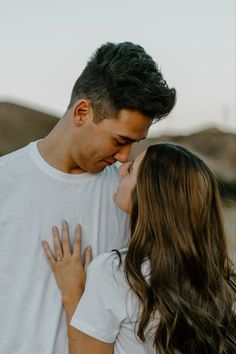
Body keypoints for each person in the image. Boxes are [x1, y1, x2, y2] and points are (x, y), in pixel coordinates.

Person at [0, 42, 176, 354]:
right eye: (120, 140)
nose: (124, 157)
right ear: (83, 111)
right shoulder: (5, 180)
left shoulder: (128, 199)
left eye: (133, 144)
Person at [43, 143, 236, 354]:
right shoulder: (218, 280)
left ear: (150, 194)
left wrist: (73, 296)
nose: (121, 168)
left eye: (132, 168)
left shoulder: (116, 272)